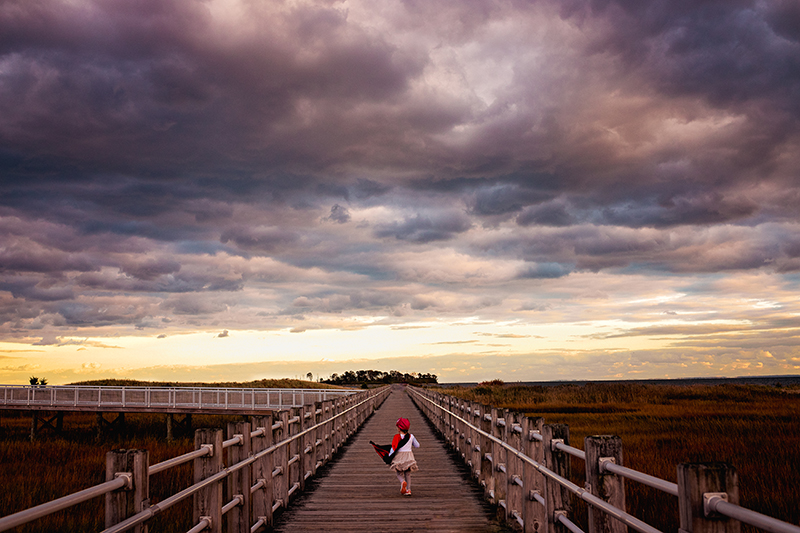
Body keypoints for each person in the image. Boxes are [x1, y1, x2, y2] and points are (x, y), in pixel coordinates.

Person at [390, 417, 419, 496]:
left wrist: (389, 456)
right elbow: (417, 445)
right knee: (408, 473)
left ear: (399, 429)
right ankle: (408, 490)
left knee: (399, 472)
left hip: (399, 456)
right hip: (409, 456)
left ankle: (402, 482)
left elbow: (393, 448)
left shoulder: (396, 437)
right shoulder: (411, 436)